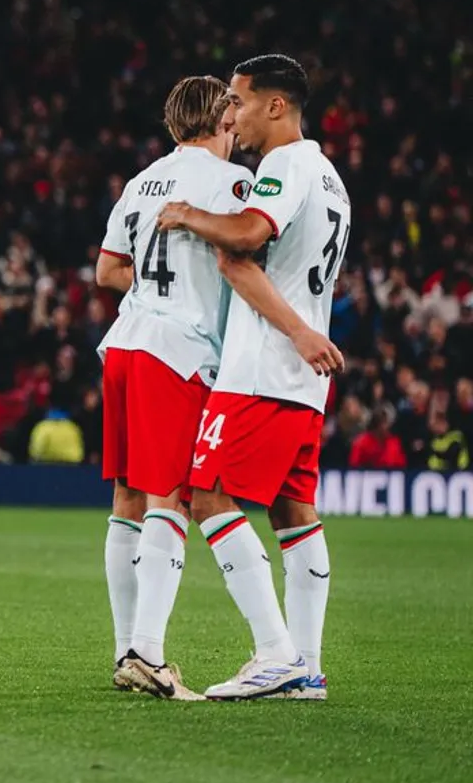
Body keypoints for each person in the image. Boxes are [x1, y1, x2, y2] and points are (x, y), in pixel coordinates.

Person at [157, 54, 350, 700]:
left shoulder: (285, 166)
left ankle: (276, 653)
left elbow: (246, 236)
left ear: (276, 105)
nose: (229, 115)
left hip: (262, 366)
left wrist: (186, 213)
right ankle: (308, 669)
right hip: (300, 377)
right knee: (296, 514)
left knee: (205, 494)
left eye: (238, 101)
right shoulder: (329, 177)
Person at [94, 75, 255, 700]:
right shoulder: (232, 184)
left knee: (127, 498)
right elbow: (249, 248)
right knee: (174, 497)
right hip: (178, 351)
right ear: (223, 123)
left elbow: (108, 270)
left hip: (125, 342)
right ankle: (148, 654)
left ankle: (124, 651)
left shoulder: (142, 181)